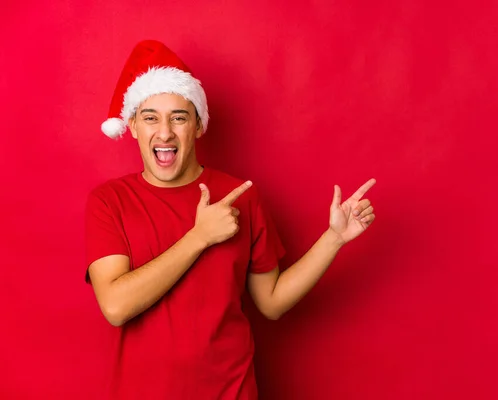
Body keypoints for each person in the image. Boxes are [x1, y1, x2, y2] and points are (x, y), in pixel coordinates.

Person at [85, 40, 376, 400]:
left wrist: (333, 239)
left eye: (179, 117)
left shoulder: (242, 195)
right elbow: (116, 306)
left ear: (198, 125)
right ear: (132, 126)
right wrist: (200, 236)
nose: (164, 132)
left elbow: (271, 302)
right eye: (150, 118)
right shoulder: (110, 201)